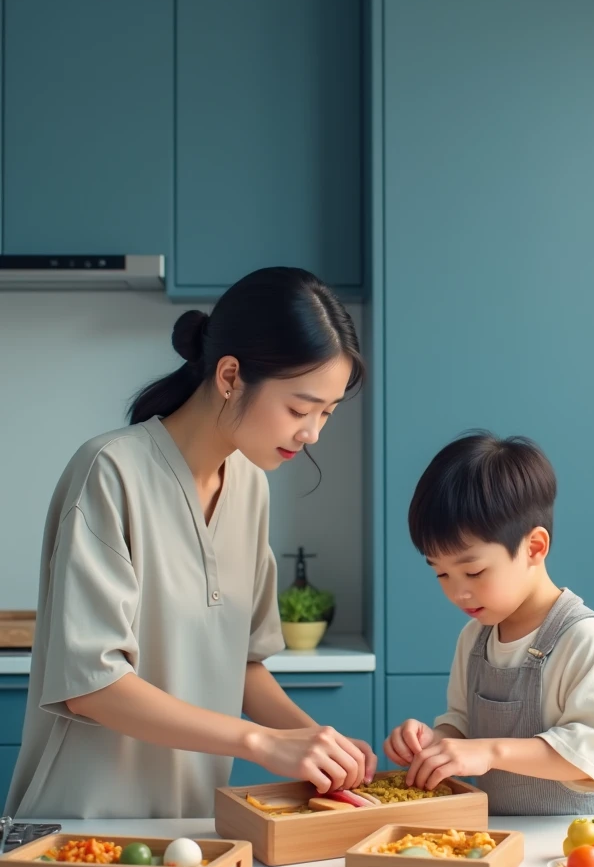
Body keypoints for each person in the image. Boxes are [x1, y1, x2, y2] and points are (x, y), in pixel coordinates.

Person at [5, 266, 376, 820]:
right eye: (300, 409)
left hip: (190, 825)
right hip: (82, 825)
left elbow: (242, 666)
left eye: (326, 413)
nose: (312, 433)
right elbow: (93, 685)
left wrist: (317, 740)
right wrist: (259, 743)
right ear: (230, 376)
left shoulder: (249, 485)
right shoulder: (110, 470)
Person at [384, 431, 594, 815]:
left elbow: (590, 755)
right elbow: (462, 725)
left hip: (576, 846)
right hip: (501, 838)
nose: (458, 593)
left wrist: (488, 751)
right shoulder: (474, 639)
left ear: (534, 547)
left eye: (474, 571)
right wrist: (434, 741)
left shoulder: (585, 639)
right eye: (441, 574)